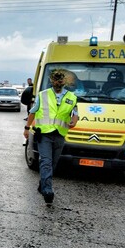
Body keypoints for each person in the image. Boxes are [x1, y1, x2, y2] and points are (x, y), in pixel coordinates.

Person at [23, 69, 78, 205]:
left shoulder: (72, 97)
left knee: (53, 163)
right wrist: (26, 128)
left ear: (64, 82)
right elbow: (33, 112)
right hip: (45, 135)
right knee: (46, 162)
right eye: (55, 79)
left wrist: (74, 120)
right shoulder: (43, 95)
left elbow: (75, 113)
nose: (58, 82)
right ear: (51, 81)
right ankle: (48, 191)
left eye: (60, 79)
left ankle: (43, 183)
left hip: (60, 135)